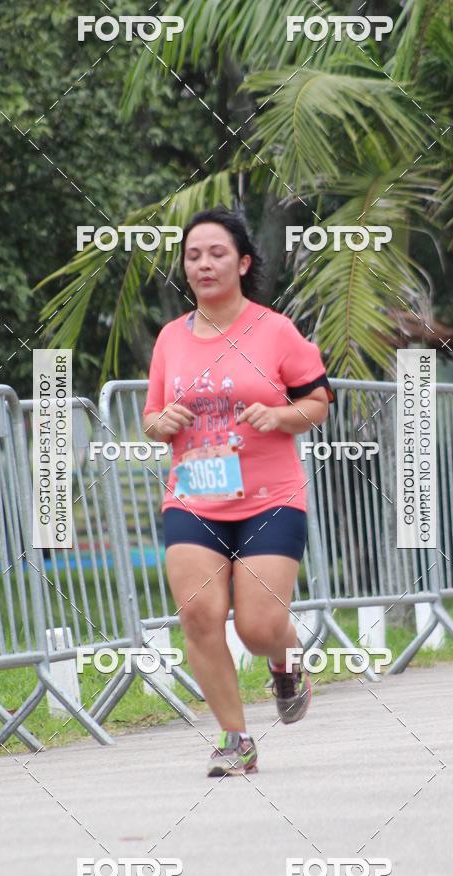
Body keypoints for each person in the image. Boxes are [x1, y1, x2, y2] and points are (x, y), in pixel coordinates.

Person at [141, 206, 334, 776]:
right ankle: (235, 739)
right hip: (193, 497)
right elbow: (150, 418)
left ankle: (286, 659)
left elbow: (318, 403)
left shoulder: (274, 330)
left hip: (269, 499)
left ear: (243, 262)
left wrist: (280, 416)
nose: (203, 263)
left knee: (256, 628)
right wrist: (162, 423)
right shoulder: (171, 339)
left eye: (217, 252)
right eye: (193, 254)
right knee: (199, 616)